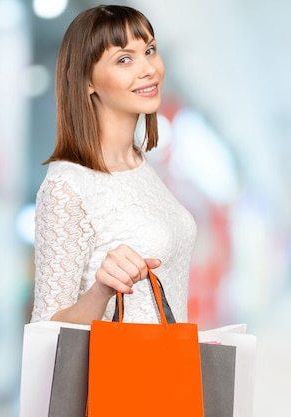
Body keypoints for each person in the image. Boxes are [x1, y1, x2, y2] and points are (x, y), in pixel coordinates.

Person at [30, 5, 196, 325]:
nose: (148, 68)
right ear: (86, 80)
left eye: (149, 50)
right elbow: (47, 330)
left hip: (166, 370)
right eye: (124, 59)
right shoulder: (66, 186)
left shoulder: (141, 164)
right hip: (123, 374)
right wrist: (102, 290)